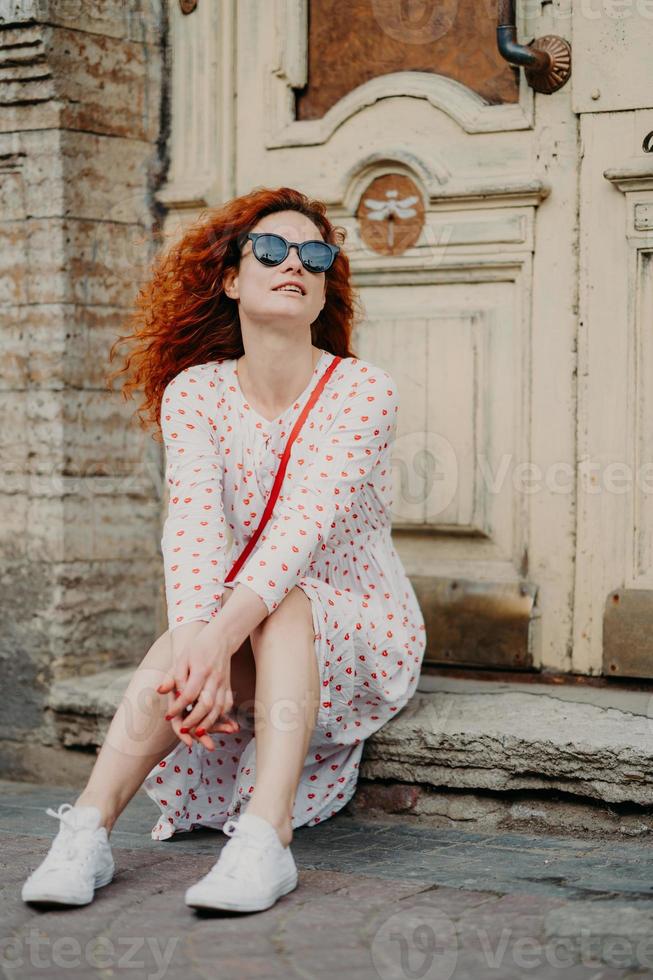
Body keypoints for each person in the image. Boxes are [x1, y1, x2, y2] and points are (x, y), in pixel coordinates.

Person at [21, 186, 427, 914]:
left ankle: (264, 843)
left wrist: (209, 644)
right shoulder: (194, 393)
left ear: (325, 282)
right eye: (270, 249)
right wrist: (193, 645)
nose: (293, 263)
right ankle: (86, 829)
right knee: (186, 641)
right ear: (232, 278)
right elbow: (193, 528)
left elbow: (297, 532)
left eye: (315, 254)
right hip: (246, 619)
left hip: (361, 626)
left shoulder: (362, 391)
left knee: (284, 599)